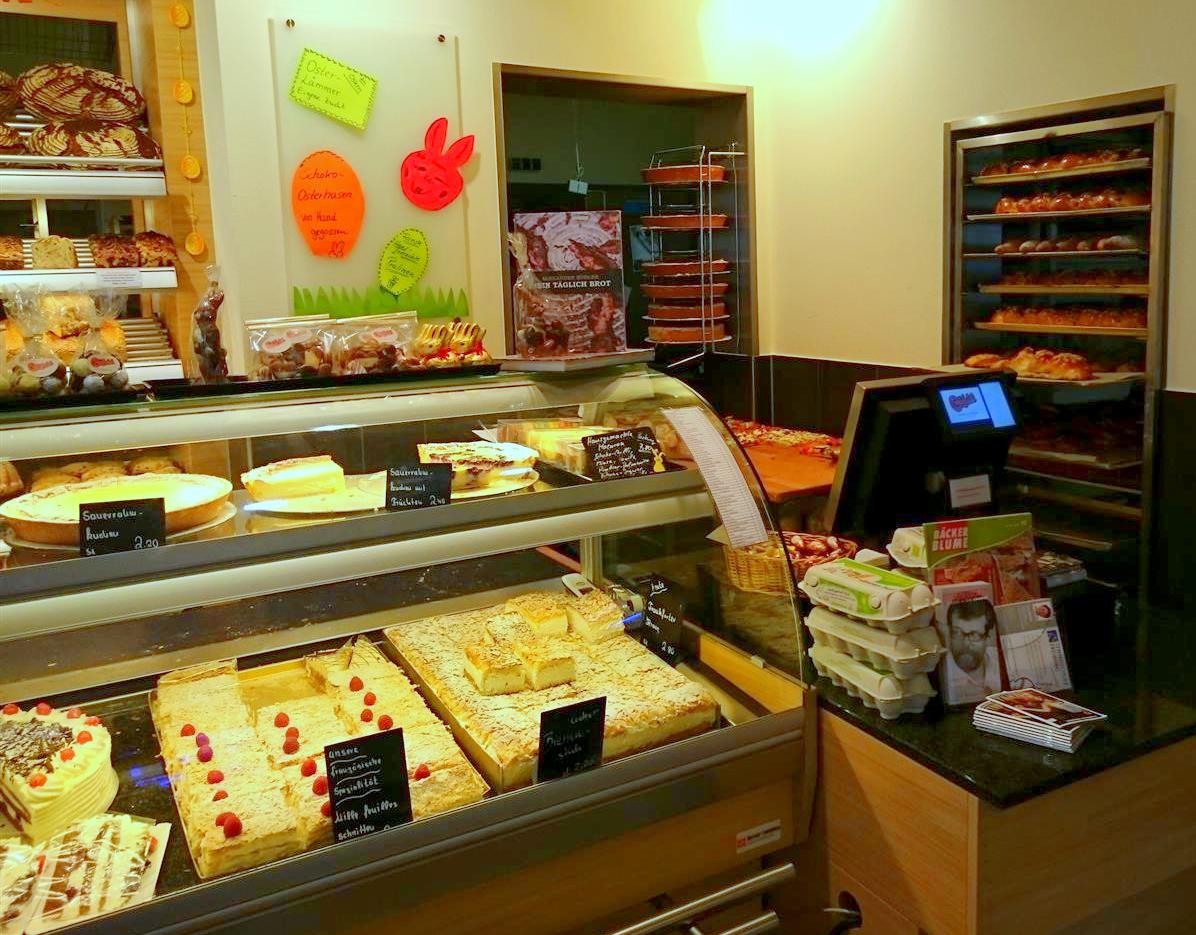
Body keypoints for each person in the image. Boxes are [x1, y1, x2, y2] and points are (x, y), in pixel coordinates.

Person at [943, 598, 1001, 703]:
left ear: (988, 636)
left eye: (974, 635)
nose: (965, 643)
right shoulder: (941, 673)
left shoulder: (1002, 662)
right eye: (957, 633)